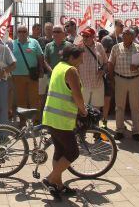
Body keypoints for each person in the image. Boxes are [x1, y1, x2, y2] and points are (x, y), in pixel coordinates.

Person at [41, 45, 87, 198]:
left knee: (60, 151)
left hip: (51, 115)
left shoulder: (58, 67)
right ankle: (50, 179)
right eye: (80, 57)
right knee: (73, 152)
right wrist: (83, 110)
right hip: (62, 118)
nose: (82, 60)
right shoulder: (71, 70)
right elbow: (77, 95)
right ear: (72, 57)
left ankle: (58, 185)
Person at [107, 29, 139, 141]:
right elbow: (110, 63)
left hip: (135, 80)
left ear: (133, 36)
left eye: (128, 34)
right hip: (119, 79)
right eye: (124, 34)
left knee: (135, 107)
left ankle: (136, 132)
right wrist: (111, 79)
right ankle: (119, 130)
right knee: (119, 106)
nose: (125, 36)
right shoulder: (116, 47)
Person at [10, 24, 45, 121]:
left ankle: (35, 121)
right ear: (17, 33)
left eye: (24, 31)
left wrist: (41, 69)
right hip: (17, 76)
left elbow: (40, 56)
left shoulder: (34, 42)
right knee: (21, 100)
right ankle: (23, 121)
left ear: (27, 32)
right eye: (19, 31)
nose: (22, 33)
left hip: (32, 75)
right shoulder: (12, 43)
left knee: (34, 98)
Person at [43, 25, 74, 115]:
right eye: (54, 32)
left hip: (66, 78)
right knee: (52, 99)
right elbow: (45, 60)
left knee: (66, 99)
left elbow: (73, 61)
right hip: (52, 77)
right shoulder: (49, 46)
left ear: (63, 33)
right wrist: (52, 71)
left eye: (58, 32)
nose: (55, 34)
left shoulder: (69, 46)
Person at [76, 27, 107, 118]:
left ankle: (96, 131)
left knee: (96, 112)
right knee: (82, 110)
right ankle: (82, 131)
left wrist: (103, 70)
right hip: (83, 85)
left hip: (97, 84)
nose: (84, 37)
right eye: (83, 35)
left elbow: (106, 62)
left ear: (93, 37)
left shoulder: (99, 46)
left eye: (87, 36)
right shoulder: (79, 47)